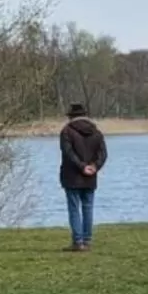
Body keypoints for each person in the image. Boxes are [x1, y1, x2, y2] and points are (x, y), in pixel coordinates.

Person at [59, 103, 108, 251]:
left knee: (74, 209)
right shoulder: (97, 133)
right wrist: (94, 166)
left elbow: (68, 153)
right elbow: (103, 154)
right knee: (88, 208)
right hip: (90, 177)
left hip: (72, 176)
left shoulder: (67, 131)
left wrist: (81, 166)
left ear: (71, 116)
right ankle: (87, 240)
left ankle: (77, 242)